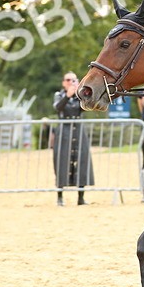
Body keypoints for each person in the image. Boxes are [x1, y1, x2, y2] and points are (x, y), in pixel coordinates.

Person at [51, 71, 94, 206]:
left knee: (82, 161)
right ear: (64, 82)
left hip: (79, 131)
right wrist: (67, 96)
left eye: (74, 80)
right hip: (64, 132)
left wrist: (81, 94)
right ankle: (60, 197)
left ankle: (81, 197)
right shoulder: (59, 95)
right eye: (68, 80)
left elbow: (87, 107)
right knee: (62, 162)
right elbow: (58, 108)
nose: (71, 83)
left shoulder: (79, 96)